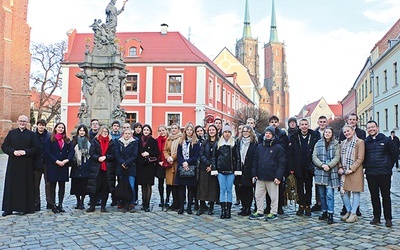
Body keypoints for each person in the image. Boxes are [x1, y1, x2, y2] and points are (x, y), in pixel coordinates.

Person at [364, 121, 398, 227]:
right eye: (369, 128)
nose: (371, 129)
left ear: (377, 128)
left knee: (386, 196)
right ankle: (376, 217)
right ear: (367, 130)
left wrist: (388, 166)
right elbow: (363, 156)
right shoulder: (366, 142)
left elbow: (394, 154)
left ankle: (388, 218)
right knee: (374, 196)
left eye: (373, 127)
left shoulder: (386, 140)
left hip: (384, 173)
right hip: (371, 173)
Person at [2, 115, 37, 216]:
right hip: (13, 163)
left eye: (24, 121)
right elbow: (4, 146)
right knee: (11, 186)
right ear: (17, 121)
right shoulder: (12, 133)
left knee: (25, 185)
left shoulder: (31, 134)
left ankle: (25, 208)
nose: (22, 123)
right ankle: (8, 208)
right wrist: (13, 152)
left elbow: (35, 148)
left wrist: (25, 152)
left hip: (26, 164)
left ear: (27, 123)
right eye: (21, 121)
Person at [249, 126, 285, 221]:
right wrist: (254, 174)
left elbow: (281, 164)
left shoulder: (278, 148)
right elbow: (255, 161)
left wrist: (278, 176)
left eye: (269, 133)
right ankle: (259, 211)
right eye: (266, 133)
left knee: (273, 197)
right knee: (258, 195)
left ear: (273, 135)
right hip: (260, 176)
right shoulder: (260, 146)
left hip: (272, 177)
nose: (267, 134)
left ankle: (273, 212)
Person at [287, 118, 318, 217]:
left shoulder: (314, 136)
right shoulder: (294, 137)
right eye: (302, 124)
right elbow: (290, 154)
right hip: (298, 166)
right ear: (299, 126)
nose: (304, 126)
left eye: (306, 124)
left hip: (309, 166)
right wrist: (291, 167)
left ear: (308, 125)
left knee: (309, 187)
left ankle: (308, 205)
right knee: (299, 187)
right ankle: (301, 205)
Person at [338, 113, 366, 217]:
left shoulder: (360, 141)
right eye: (345, 132)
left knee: (355, 191)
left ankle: (354, 212)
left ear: (353, 131)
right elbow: (339, 156)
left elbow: (360, 157)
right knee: (343, 192)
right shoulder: (343, 143)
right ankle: (348, 210)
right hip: (344, 171)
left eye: (348, 131)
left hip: (355, 170)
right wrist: (340, 167)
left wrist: (352, 169)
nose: (346, 133)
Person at [312, 127, 340, 224]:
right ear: (323, 133)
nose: (327, 134)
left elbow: (337, 157)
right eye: (326, 132)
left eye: (329, 132)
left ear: (332, 134)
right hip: (320, 172)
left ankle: (330, 213)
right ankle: (324, 212)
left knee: (329, 194)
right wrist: (322, 165)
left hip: (331, 173)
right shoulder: (318, 143)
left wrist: (329, 165)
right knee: (322, 195)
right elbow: (314, 156)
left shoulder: (336, 144)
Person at [45, 122, 74, 213]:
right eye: (59, 127)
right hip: (53, 165)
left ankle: (60, 204)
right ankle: (53, 204)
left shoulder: (67, 140)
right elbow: (47, 152)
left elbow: (71, 151)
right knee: (52, 185)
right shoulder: (50, 139)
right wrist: (56, 161)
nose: (61, 129)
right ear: (56, 128)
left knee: (62, 185)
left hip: (63, 165)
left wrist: (67, 160)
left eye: (62, 128)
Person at [212, 124, 240, 219]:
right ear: (222, 133)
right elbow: (214, 157)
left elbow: (237, 157)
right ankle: (223, 210)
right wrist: (215, 169)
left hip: (231, 170)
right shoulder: (218, 143)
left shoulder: (233, 143)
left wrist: (237, 169)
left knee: (229, 190)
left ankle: (228, 211)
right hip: (220, 170)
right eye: (225, 132)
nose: (227, 134)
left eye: (228, 132)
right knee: (222, 190)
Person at [87, 125, 116, 213]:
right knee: (95, 187)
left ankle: (103, 206)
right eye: (103, 132)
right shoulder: (95, 141)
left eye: (106, 132)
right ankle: (92, 205)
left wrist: (106, 157)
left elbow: (114, 154)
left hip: (107, 168)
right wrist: (98, 158)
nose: (105, 133)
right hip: (96, 168)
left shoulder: (112, 142)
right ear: (100, 132)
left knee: (105, 188)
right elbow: (91, 153)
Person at [265, 115, 289, 215]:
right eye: (272, 122)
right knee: (267, 188)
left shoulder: (283, 135)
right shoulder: (265, 134)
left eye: (275, 122)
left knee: (279, 187)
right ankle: (268, 206)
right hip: (268, 165)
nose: (274, 123)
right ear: (269, 123)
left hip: (278, 164)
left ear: (278, 123)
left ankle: (279, 206)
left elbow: (286, 148)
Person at [175, 123, 200, 214]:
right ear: (185, 131)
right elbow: (179, 154)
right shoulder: (181, 141)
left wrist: (187, 162)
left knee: (190, 189)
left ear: (193, 132)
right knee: (181, 188)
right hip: (182, 167)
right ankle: (181, 207)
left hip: (191, 167)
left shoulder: (196, 142)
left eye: (191, 130)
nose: (189, 131)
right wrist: (183, 163)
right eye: (187, 130)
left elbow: (196, 155)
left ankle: (189, 207)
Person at [197, 124, 220, 216]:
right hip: (204, 167)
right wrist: (208, 163)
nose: (211, 131)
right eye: (210, 130)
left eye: (213, 129)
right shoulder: (204, 142)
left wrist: (212, 165)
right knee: (202, 187)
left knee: (212, 188)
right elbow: (201, 154)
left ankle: (211, 207)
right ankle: (201, 207)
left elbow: (219, 155)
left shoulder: (219, 142)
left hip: (214, 168)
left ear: (216, 131)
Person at [136, 124, 159, 212]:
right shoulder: (139, 141)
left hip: (149, 166)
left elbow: (156, 152)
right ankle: (143, 202)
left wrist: (148, 153)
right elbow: (137, 151)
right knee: (142, 185)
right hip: (141, 165)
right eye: (144, 130)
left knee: (148, 185)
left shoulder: (153, 141)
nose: (146, 131)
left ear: (150, 131)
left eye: (147, 130)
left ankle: (147, 204)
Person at [115, 128, 138, 212]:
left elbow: (134, 155)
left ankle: (131, 203)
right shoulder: (118, 142)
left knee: (131, 186)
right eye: (126, 133)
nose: (127, 135)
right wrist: (122, 163)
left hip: (131, 167)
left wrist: (126, 163)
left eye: (129, 133)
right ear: (123, 134)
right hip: (121, 167)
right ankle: (124, 203)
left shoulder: (134, 142)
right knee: (122, 186)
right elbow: (117, 154)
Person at [236, 125, 257, 216]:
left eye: (247, 131)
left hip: (249, 169)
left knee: (248, 189)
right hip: (240, 169)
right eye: (243, 131)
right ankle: (243, 206)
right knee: (241, 189)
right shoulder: (238, 142)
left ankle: (248, 208)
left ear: (251, 133)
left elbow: (256, 158)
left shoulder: (254, 144)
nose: (245, 133)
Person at [70, 124, 91, 210]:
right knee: (76, 185)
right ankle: (78, 200)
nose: (82, 132)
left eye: (83, 131)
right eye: (80, 130)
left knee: (84, 185)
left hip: (86, 164)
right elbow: (71, 151)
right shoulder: (74, 140)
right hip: (77, 165)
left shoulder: (89, 141)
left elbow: (91, 152)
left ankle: (82, 201)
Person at [311, 115, 328, 213]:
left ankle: (326, 203)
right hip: (317, 161)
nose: (322, 123)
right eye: (320, 122)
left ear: (326, 123)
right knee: (318, 184)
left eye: (324, 122)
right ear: (318, 123)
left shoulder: (329, 132)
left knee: (327, 184)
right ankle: (318, 203)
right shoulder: (314, 133)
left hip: (328, 161)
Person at [33, 119, 51, 211]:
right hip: (36, 163)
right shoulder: (33, 135)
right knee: (35, 185)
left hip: (47, 163)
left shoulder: (49, 135)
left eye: (43, 125)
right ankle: (37, 203)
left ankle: (50, 202)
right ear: (37, 126)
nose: (41, 127)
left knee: (48, 184)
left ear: (45, 126)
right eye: (39, 125)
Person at [164, 123, 183, 211]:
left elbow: (180, 151)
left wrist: (173, 157)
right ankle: (174, 203)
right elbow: (165, 150)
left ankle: (179, 203)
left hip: (177, 163)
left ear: (178, 129)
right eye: (172, 128)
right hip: (170, 164)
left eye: (175, 128)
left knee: (177, 184)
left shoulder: (181, 138)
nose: (174, 130)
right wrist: (168, 157)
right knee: (171, 185)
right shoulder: (169, 139)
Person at [156, 125, 169, 209]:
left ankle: (167, 199)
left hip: (168, 163)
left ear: (166, 130)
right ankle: (161, 198)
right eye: (160, 130)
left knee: (168, 183)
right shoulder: (156, 140)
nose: (161, 132)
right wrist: (159, 161)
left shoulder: (169, 139)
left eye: (163, 130)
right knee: (160, 182)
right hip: (159, 163)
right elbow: (155, 151)